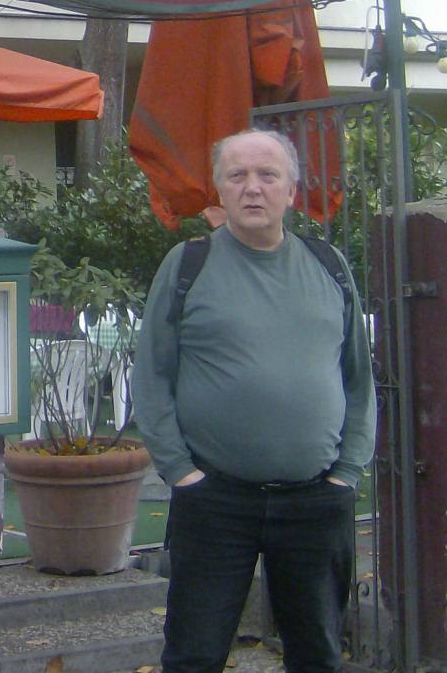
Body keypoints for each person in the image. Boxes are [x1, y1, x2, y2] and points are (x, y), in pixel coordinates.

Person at [131, 128, 375, 673]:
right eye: (237, 175)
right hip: (215, 502)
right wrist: (180, 473)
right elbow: (151, 377)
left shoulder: (328, 265)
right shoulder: (187, 265)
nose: (253, 188)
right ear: (219, 188)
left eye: (268, 175)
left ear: (292, 189)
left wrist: (347, 472)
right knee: (194, 653)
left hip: (316, 502)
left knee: (319, 655)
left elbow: (358, 379)